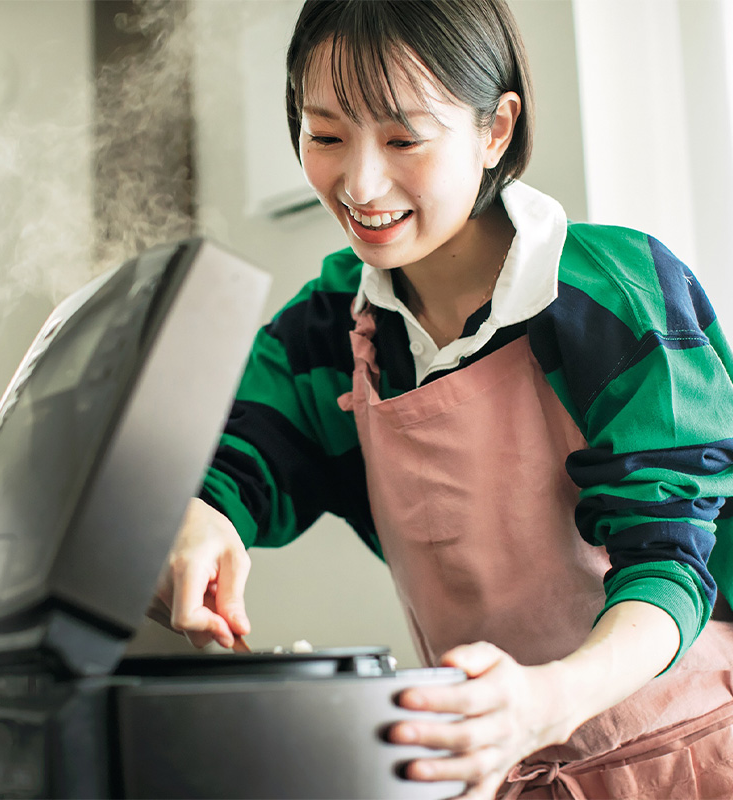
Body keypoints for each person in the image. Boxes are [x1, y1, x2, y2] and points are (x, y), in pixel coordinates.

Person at [151, 1, 733, 797]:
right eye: (324, 135)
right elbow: (239, 470)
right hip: (497, 771)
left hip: (692, 756)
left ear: (495, 130)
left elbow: (670, 561)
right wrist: (199, 521)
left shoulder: (618, 295)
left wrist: (547, 700)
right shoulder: (328, 333)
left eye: (403, 139)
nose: (358, 182)